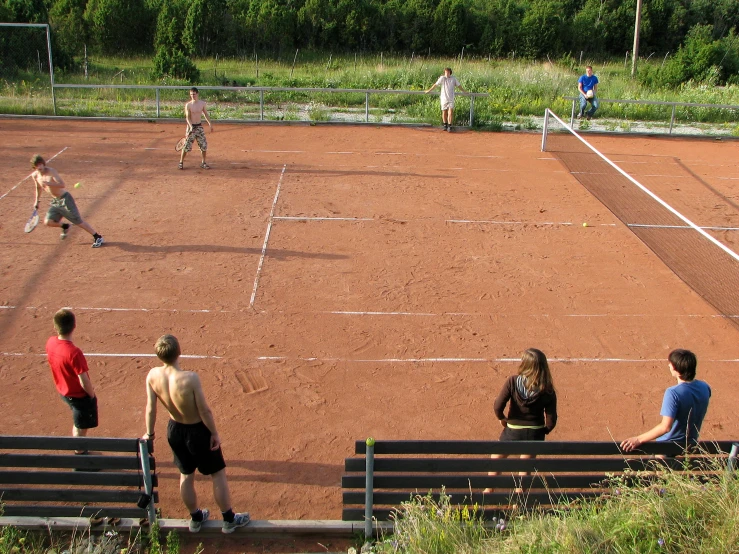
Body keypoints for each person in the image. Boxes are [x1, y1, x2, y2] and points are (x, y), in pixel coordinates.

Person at [144, 335, 250, 534]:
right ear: (179, 352)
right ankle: (228, 519)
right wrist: (214, 433)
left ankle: (195, 518)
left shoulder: (152, 376)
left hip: (174, 430)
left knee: (185, 475)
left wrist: (149, 434)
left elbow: (151, 408)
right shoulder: (190, 378)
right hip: (197, 431)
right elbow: (204, 411)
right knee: (217, 473)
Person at [484, 348, 557, 493]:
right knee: (525, 469)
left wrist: (502, 419)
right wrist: (542, 431)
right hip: (534, 435)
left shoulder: (513, 381)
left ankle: (488, 491)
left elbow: (498, 406)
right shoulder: (548, 389)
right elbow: (551, 420)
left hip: (512, 431)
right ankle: (518, 504)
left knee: (496, 459)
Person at [620, 349, 711, 452]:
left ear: (676, 369)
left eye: (670, 364)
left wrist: (638, 439)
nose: (669, 366)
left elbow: (665, 427)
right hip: (691, 445)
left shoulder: (673, 393)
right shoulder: (705, 387)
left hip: (668, 448)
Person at [46, 309, 98, 455]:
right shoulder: (74, 353)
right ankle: (80, 456)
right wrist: (91, 395)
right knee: (81, 427)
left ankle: (79, 448)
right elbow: (84, 380)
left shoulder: (50, 342)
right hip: (78, 396)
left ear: (55, 326)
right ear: (74, 326)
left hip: (63, 391)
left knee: (78, 423)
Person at [31, 155, 104, 248]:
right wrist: (37, 201)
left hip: (65, 199)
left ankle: (97, 237)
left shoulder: (51, 171)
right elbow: (38, 188)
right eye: (37, 165)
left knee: (78, 221)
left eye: (41, 164)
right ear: (34, 167)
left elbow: (62, 184)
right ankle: (65, 226)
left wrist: (50, 183)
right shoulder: (35, 176)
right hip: (55, 201)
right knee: (48, 221)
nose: (40, 166)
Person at [179, 87, 213, 170]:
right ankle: (181, 162)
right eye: (191, 94)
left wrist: (210, 124)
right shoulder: (188, 105)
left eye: (194, 94)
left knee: (203, 146)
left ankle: (203, 163)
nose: (192, 96)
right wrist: (190, 127)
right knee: (186, 146)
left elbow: (205, 114)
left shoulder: (202, 104)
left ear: (197, 94)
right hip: (191, 127)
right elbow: (188, 117)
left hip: (199, 127)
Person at [425, 67, 467, 132]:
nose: (446, 73)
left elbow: (459, 86)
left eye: (447, 72)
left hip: (451, 98)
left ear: (450, 72)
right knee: (444, 112)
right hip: (444, 98)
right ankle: (445, 125)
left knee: (450, 112)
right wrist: (429, 90)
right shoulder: (442, 78)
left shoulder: (454, 79)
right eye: (445, 72)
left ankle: (449, 126)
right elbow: (435, 85)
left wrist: (464, 91)